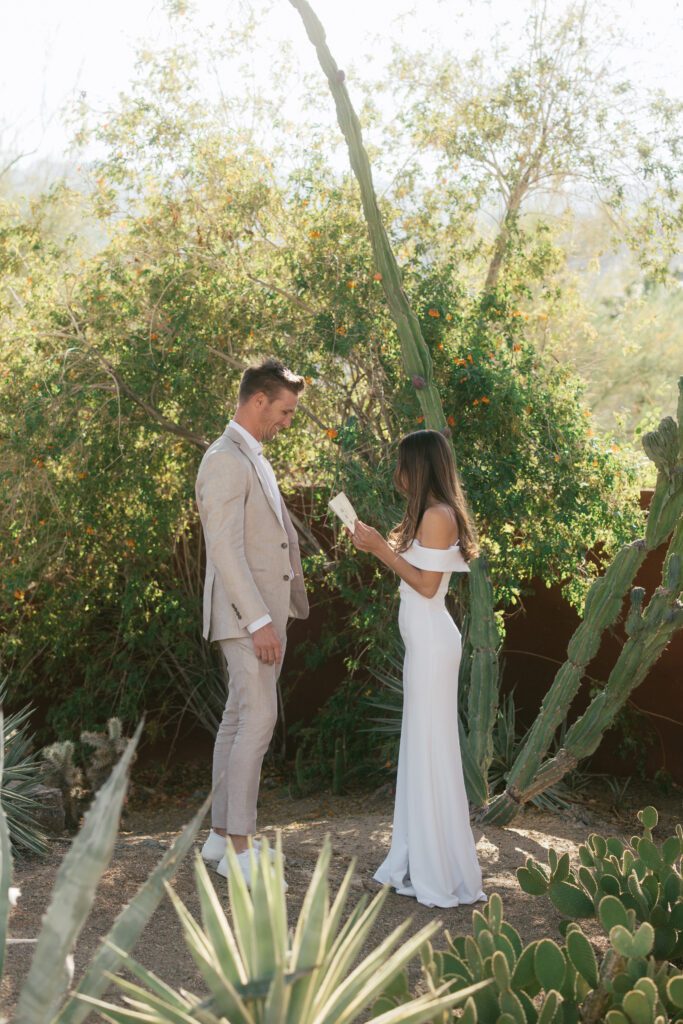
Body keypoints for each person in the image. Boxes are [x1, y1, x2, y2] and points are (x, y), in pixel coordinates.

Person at [349, 429, 486, 908]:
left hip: (431, 644)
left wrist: (380, 550)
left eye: (403, 463)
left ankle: (436, 866)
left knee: (430, 749)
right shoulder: (428, 514)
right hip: (423, 645)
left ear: (420, 466)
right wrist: (376, 544)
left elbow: (427, 586)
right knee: (420, 748)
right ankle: (415, 856)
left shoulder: (438, 515)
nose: (397, 473)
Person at [195, 358, 309, 888]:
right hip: (247, 618)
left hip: (261, 614)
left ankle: (220, 837)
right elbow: (225, 550)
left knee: (239, 717)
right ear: (258, 399)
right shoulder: (224, 459)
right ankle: (241, 852)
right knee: (258, 720)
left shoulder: (252, 456)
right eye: (284, 411)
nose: (288, 420)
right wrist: (260, 620)